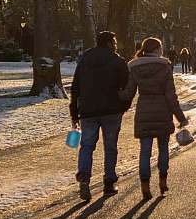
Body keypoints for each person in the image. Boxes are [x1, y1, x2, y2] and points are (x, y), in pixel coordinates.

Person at [119, 37, 188, 200]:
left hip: (144, 110)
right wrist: (181, 117)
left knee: (145, 151)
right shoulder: (165, 66)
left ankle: (145, 186)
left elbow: (128, 93)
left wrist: (114, 96)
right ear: (157, 49)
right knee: (163, 149)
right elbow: (171, 96)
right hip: (163, 111)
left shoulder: (134, 67)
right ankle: (163, 182)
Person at [70, 31, 130, 201]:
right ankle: (109, 182)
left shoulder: (84, 60)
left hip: (88, 110)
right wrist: (123, 105)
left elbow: (75, 87)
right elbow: (126, 85)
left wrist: (74, 111)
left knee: (87, 145)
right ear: (110, 43)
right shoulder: (117, 61)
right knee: (110, 146)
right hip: (111, 110)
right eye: (115, 41)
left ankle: (84, 176)